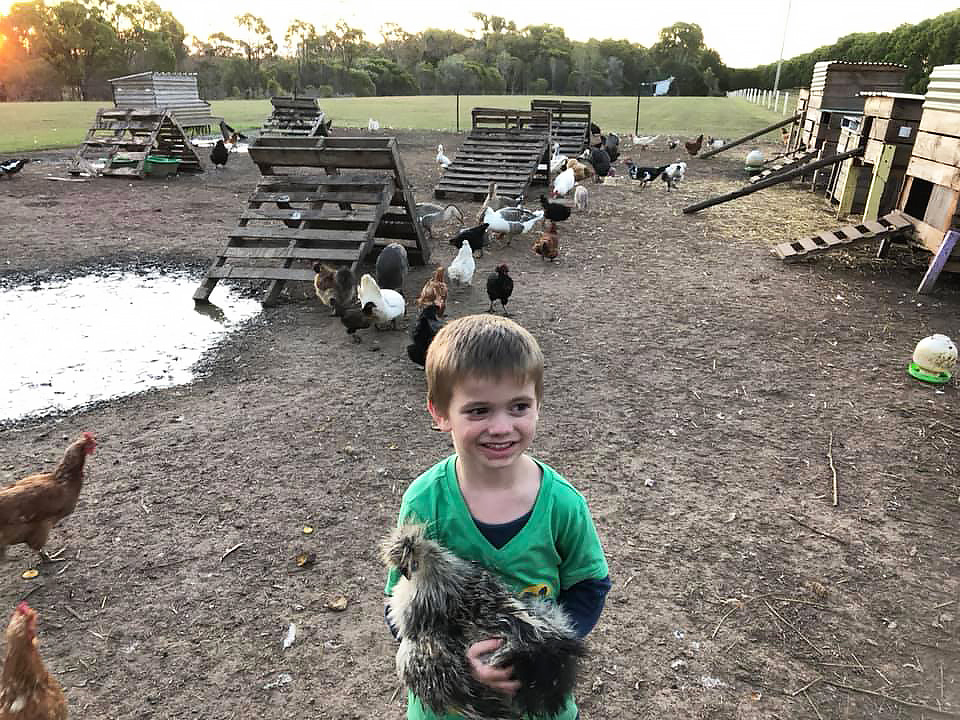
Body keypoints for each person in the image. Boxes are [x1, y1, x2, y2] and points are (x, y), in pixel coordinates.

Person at [384, 314, 611, 720]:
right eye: (478, 411)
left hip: (536, 703)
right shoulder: (424, 502)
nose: (502, 427)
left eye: (518, 406)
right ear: (440, 413)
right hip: (452, 707)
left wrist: (535, 647)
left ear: (538, 405)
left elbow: (590, 587)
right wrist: (455, 660)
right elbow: (398, 606)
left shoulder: (563, 505)